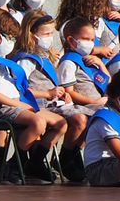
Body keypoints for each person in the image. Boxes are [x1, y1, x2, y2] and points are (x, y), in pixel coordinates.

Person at [0, 9, 65, 184]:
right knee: (38, 122)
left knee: (61, 123)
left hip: (16, 105)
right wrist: (21, 105)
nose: (13, 42)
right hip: (1, 108)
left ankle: (33, 163)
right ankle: (15, 165)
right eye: (11, 38)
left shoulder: (0, 58)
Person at [13, 11, 88, 181]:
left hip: (52, 104)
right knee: (77, 120)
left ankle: (61, 157)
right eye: (45, 34)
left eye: (51, 34)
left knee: (87, 117)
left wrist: (61, 94)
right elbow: (20, 90)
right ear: (31, 35)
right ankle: (38, 161)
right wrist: (48, 93)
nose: (49, 38)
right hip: (36, 105)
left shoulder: (46, 57)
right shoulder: (26, 60)